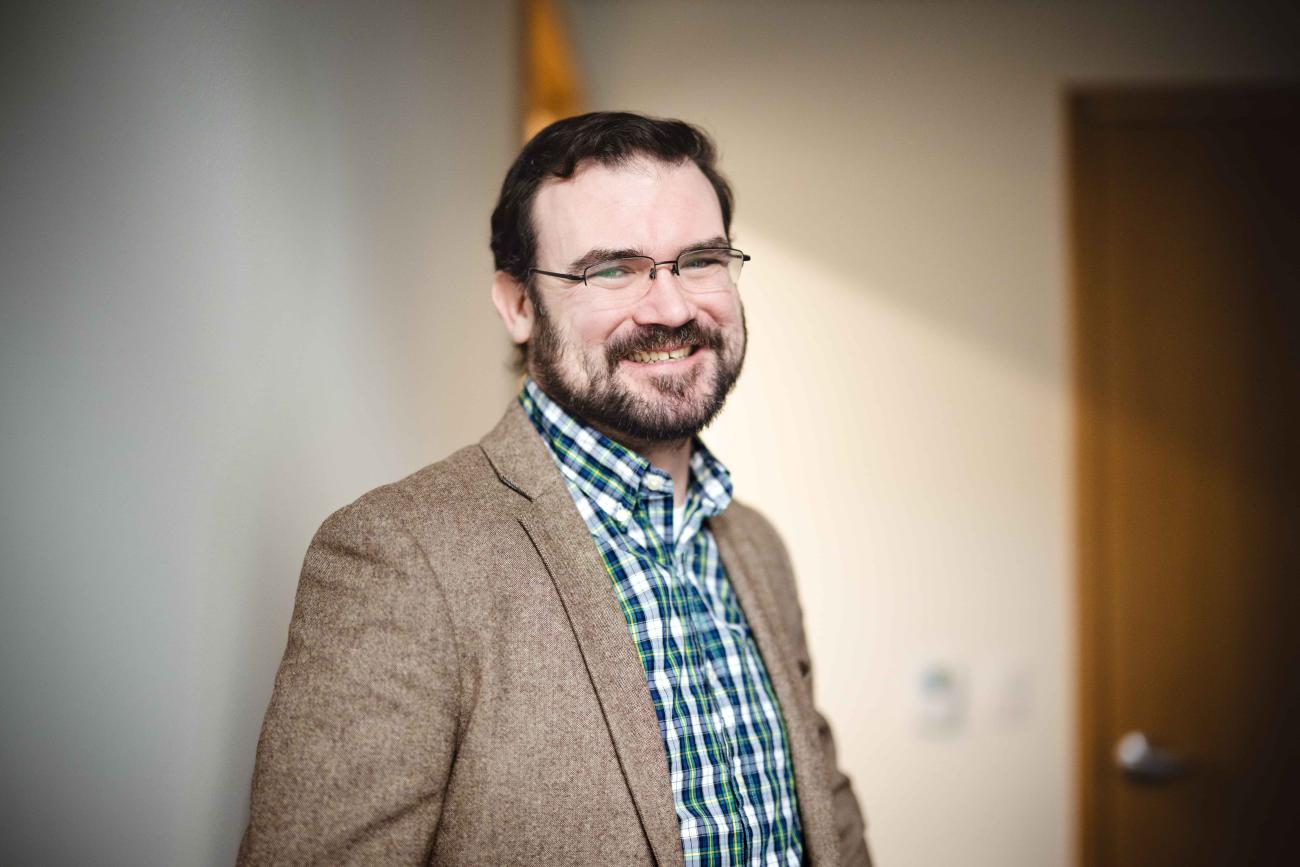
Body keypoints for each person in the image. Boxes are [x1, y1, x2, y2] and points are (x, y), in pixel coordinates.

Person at [239, 112, 871, 866]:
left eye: (699, 260)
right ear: (516, 303)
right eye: (612, 269)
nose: (671, 308)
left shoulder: (755, 546)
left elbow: (826, 814)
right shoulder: (400, 558)